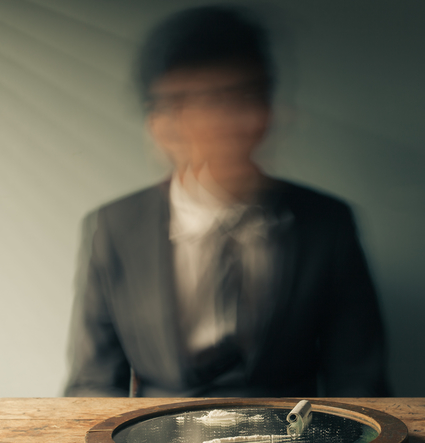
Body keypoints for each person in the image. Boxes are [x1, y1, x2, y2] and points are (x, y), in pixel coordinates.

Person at [64, 5, 390, 398]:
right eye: (203, 103)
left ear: (267, 112)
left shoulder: (328, 223)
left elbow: (361, 382)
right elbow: (93, 385)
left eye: (243, 98)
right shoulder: (114, 227)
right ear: (161, 124)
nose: (229, 124)